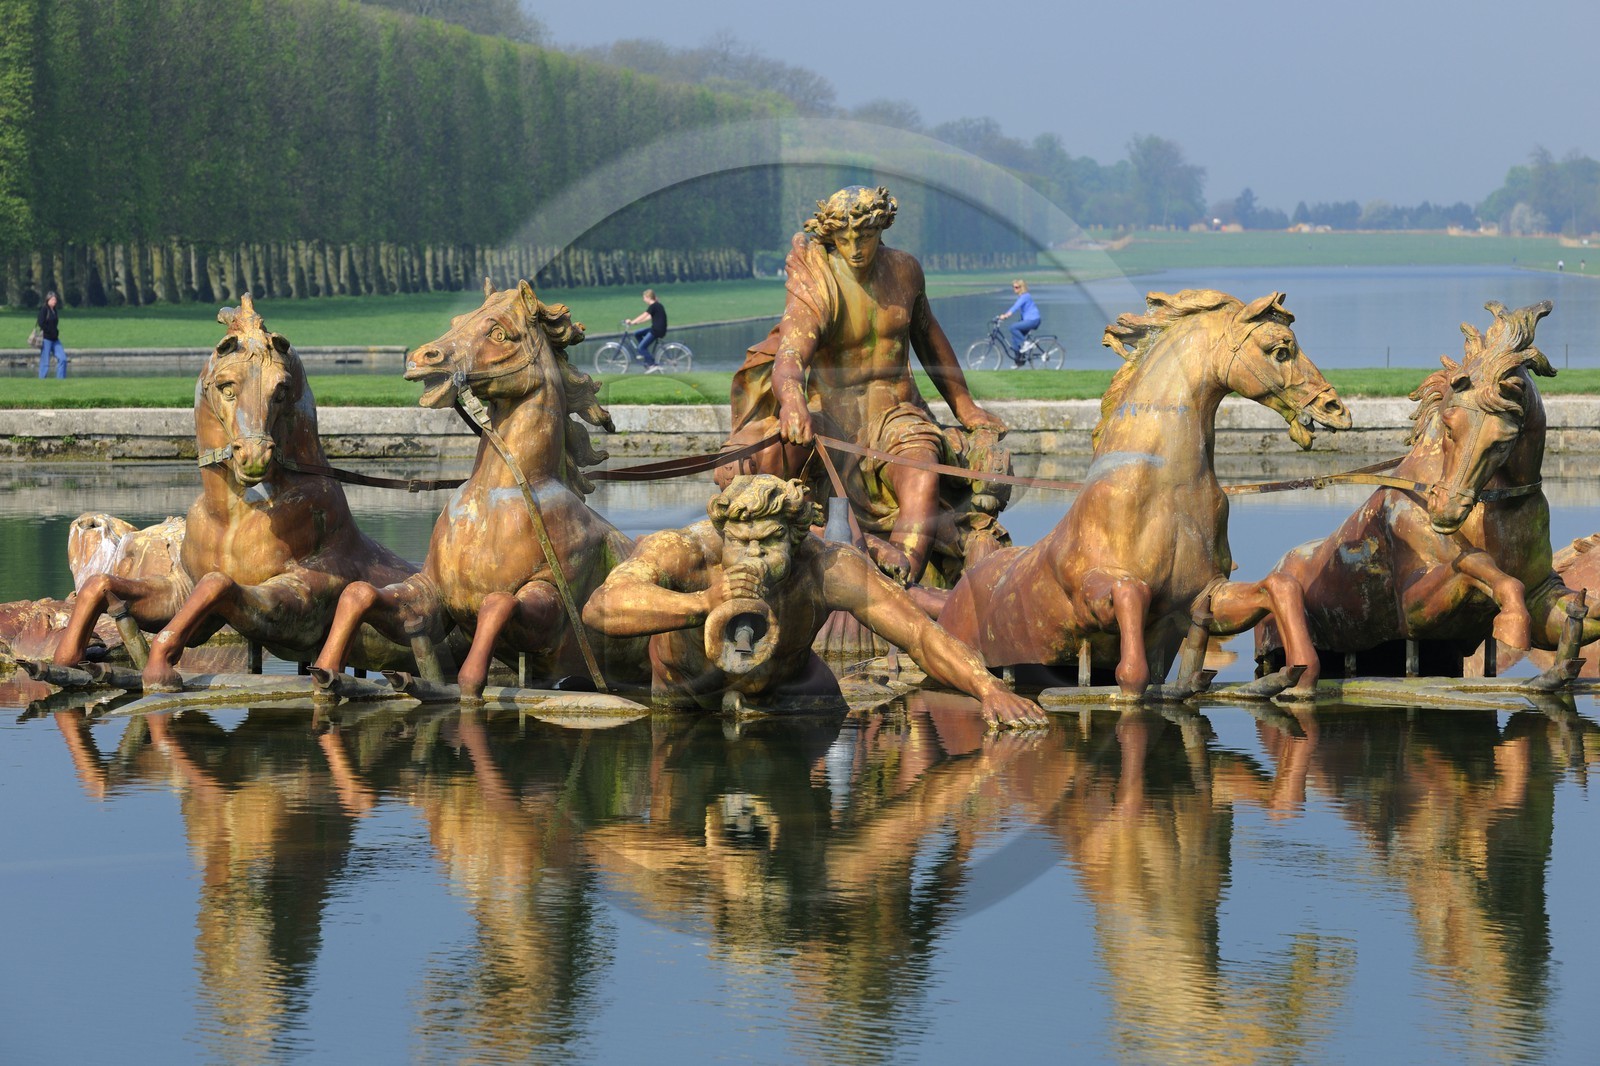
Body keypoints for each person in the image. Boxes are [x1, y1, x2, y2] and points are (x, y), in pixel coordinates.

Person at [581, 474, 1046, 728]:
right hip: (685, 702)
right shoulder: (685, 551)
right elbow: (601, 607)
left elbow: (920, 635)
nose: (753, 556)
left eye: (768, 543)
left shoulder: (827, 566)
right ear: (723, 537)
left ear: (797, 537)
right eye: (740, 543)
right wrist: (705, 601)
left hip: (788, 697)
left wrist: (990, 689)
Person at [719, 185, 1010, 585]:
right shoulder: (818, 280)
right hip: (833, 422)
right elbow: (790, 359)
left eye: (866, 237)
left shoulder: (905, 271)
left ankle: (903, 576)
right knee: (762, 457)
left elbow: (930, 340)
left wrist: (965, 407)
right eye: (844, 239)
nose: (855, 248)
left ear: (881, 229)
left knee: (921, 468)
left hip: (897, 416)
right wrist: (792, 402)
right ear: (831, 236)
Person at [996, 279, 1041, 364]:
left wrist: (1005, 315)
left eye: (1016, 287)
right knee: (1015, 339)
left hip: (1034, 320)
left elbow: (1015, 307)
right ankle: (1019, 362)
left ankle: (1026, 343)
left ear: (1022, 287)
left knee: (1012, 327)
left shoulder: (1025, 296)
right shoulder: (1022, 297)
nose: (1014, 289)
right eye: (1013, 287)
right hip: (1028, 320)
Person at [624, 288, 667, 373]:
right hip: (657, 329)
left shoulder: (654, 306)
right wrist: (637, 323)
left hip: (656, 330)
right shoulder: (657, 305)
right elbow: (648, 317)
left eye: (644, 298)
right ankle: (645, 354)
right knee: (637, 333)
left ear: (648, 297)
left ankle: (652, 364)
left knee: (641, 347)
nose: (643, 300)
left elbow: (645, 314)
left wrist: (632, 321)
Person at [36, 291, 65, 379]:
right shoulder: (44, 309)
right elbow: (41, 322)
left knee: (62, 358)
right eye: (52, 299)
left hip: (55, 339)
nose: (54, 301)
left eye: (55, 299)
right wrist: (49, 331)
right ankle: (42, 380)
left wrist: (56, 332)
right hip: (46, 339)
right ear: (48, 300)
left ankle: (60, 379)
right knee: (45, 362)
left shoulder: (54, 310)